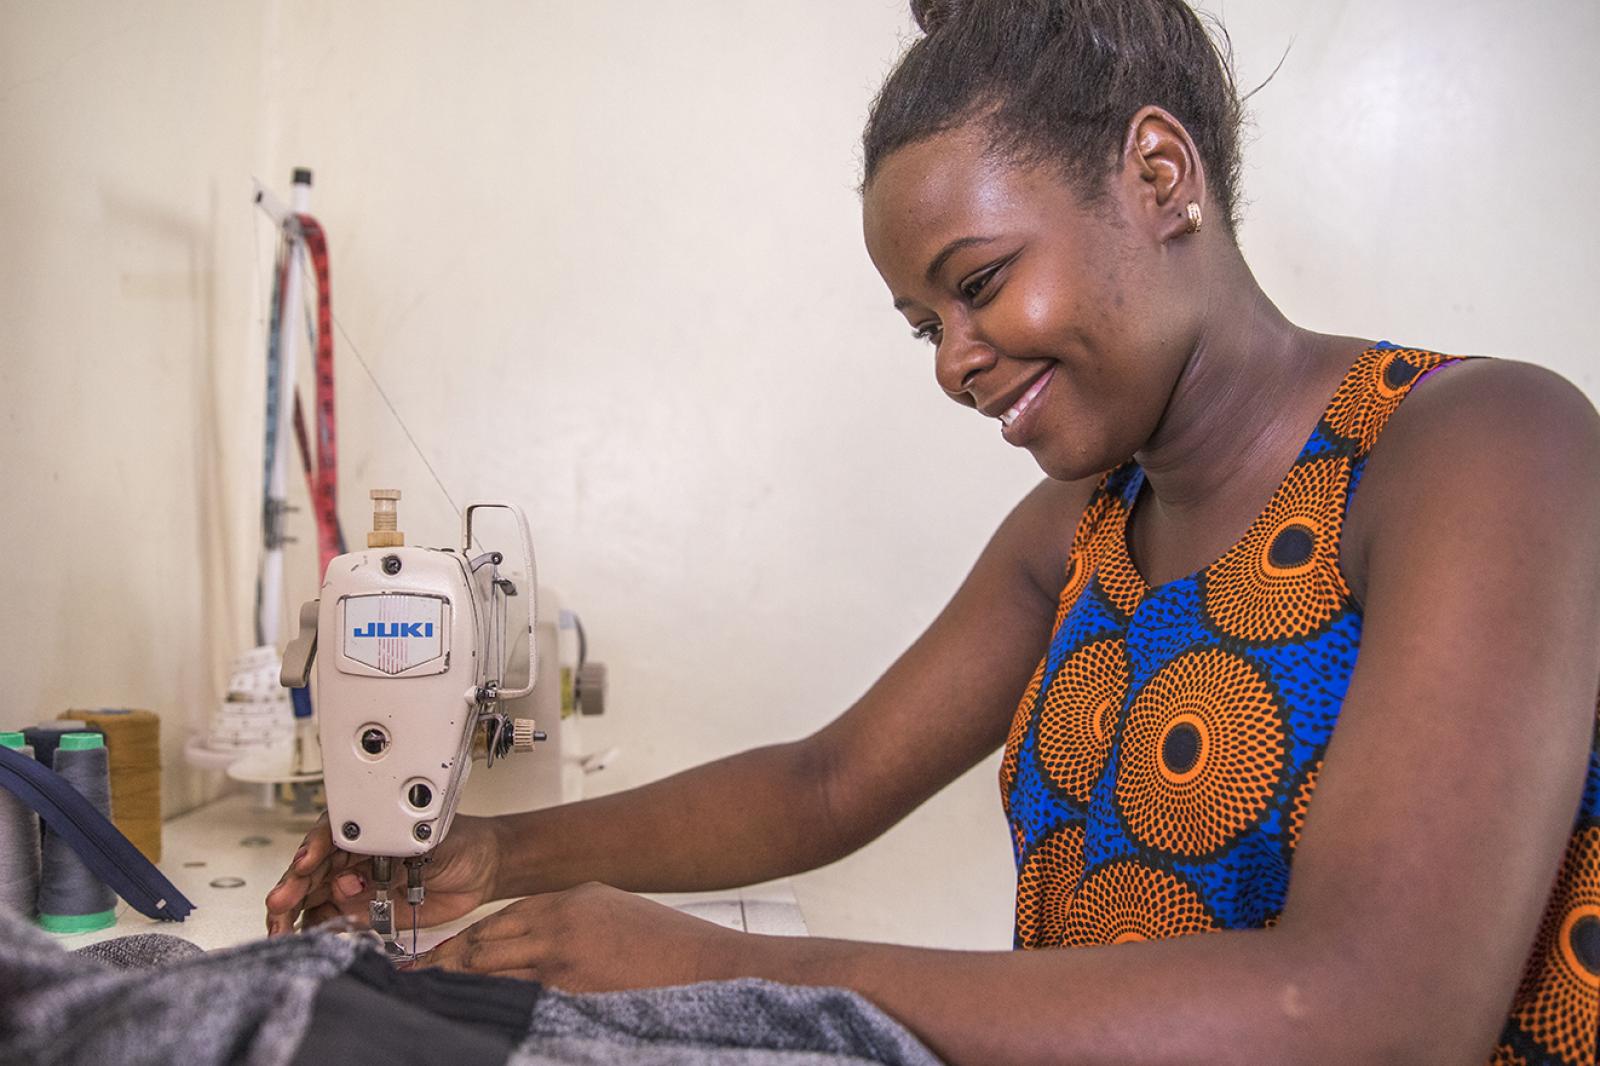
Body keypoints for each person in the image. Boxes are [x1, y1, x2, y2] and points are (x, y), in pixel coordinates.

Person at [266, 1, 1600, 1062]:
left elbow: (1375, 1013)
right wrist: (490, 852)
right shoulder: (1077, 533)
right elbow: (825, 782)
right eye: (925, 326)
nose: (956, 362)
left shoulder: (1481, 448)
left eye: (980, 284)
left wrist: (727, 965)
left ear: (1158, 174)